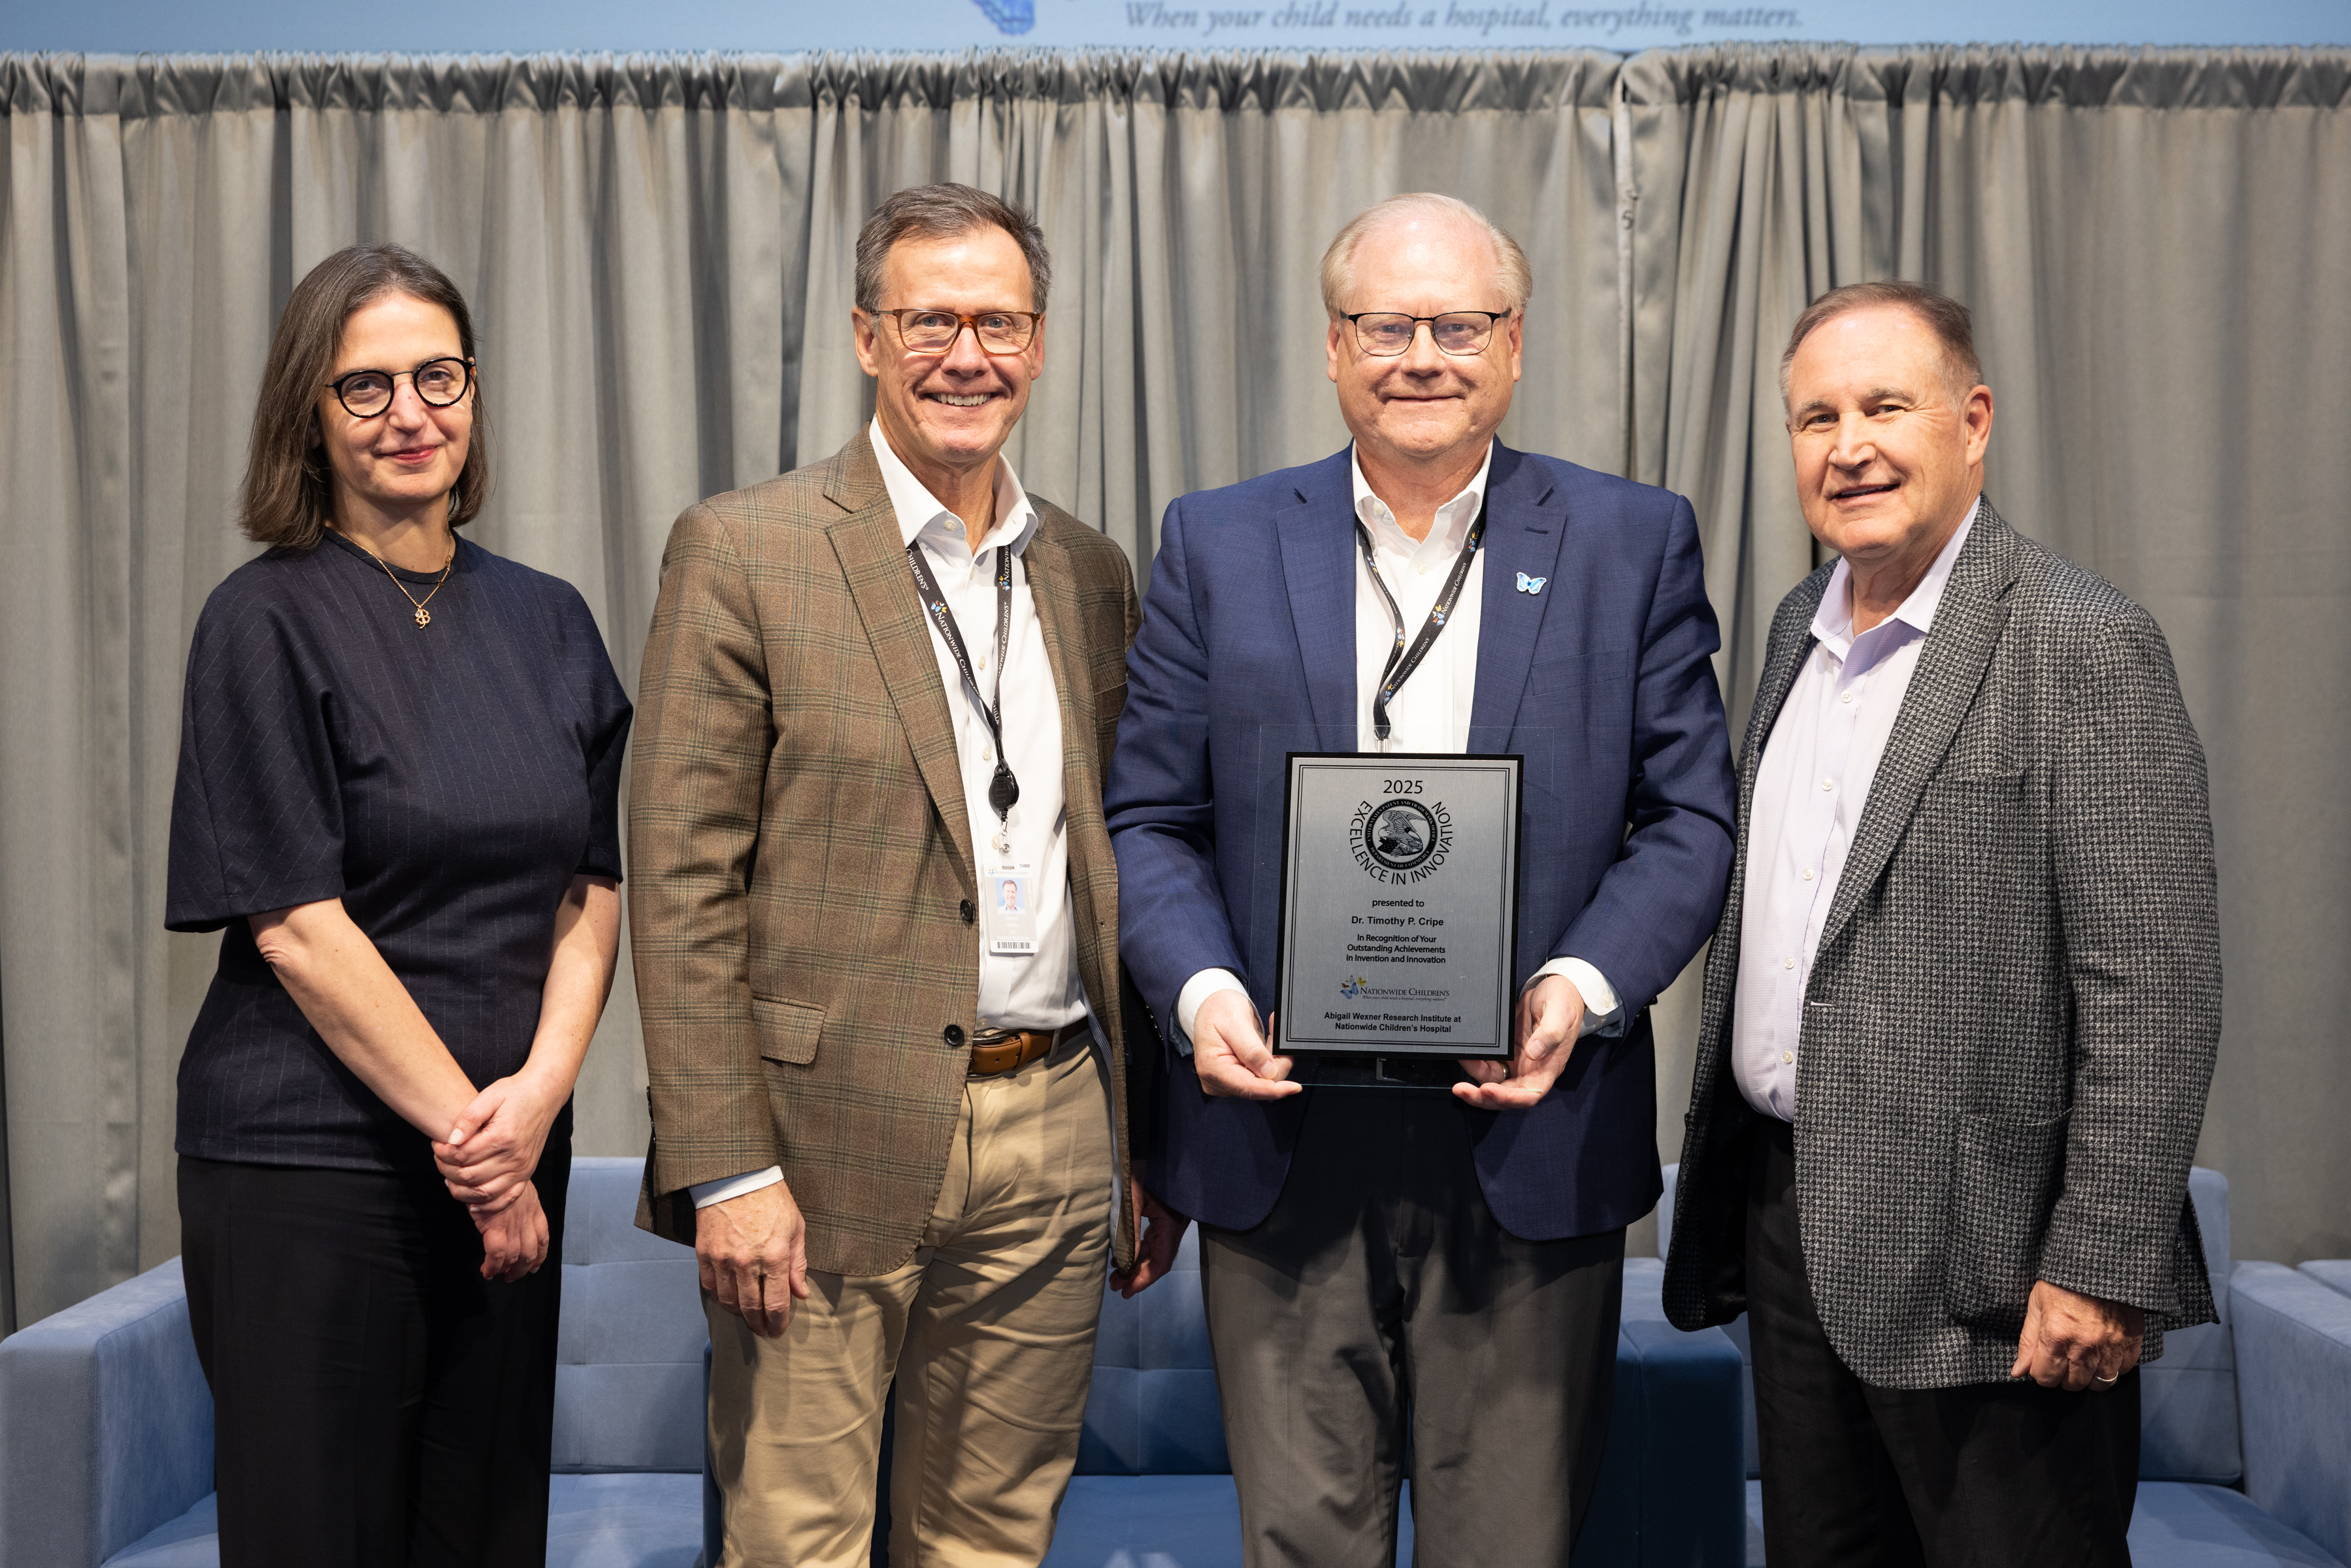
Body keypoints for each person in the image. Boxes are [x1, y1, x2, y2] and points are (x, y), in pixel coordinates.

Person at [1105, 193, 1737, 1565]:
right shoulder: (1212, 543)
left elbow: (1688, 818)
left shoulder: (1631, 541)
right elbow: (1148, 817)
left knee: (1508, 1546)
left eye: (1457, 324)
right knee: (1298, 1542)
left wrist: (1577, 990)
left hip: (1528, 1123)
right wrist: (1201, 994)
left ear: (1513, 347)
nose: (1420, 356)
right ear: (1331, 350)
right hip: (1275, 1129)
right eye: (1383, 325)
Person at [628, 183, 1160, 1568]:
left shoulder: (1089, 574)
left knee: (990, 1539)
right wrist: (725, 1165)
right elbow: (680, 886)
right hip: (815, 1147)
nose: (963, 355)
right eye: (930, 321)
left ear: (1039, 344)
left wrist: (1143, 1136)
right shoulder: (746, 551)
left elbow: (1119, 866)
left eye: (996, 321)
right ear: (867, 337)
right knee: (796, 1542)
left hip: (1050, 1127)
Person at [1661, 280, 2221, 1565]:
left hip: (2000, 1265)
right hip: (1795, 1227)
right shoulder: (1784, 641)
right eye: (1814, 417)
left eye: (1881, 407)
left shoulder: (2081, 642)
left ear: (1970, 421)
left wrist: (2100, 1261)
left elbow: (2152, 994)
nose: (1845, 445)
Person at [165, 242, 632, 1567]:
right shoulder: (260, 621)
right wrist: (482, 1154)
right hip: (310, 1161)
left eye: (437, 377)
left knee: (482, 1535)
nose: (409, 414)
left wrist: (536, 1099)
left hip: (506, 1144)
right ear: (307, 417)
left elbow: (591, 887)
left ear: (473, 396)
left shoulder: (549, 620)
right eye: (363, 389)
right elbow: (298, 925)